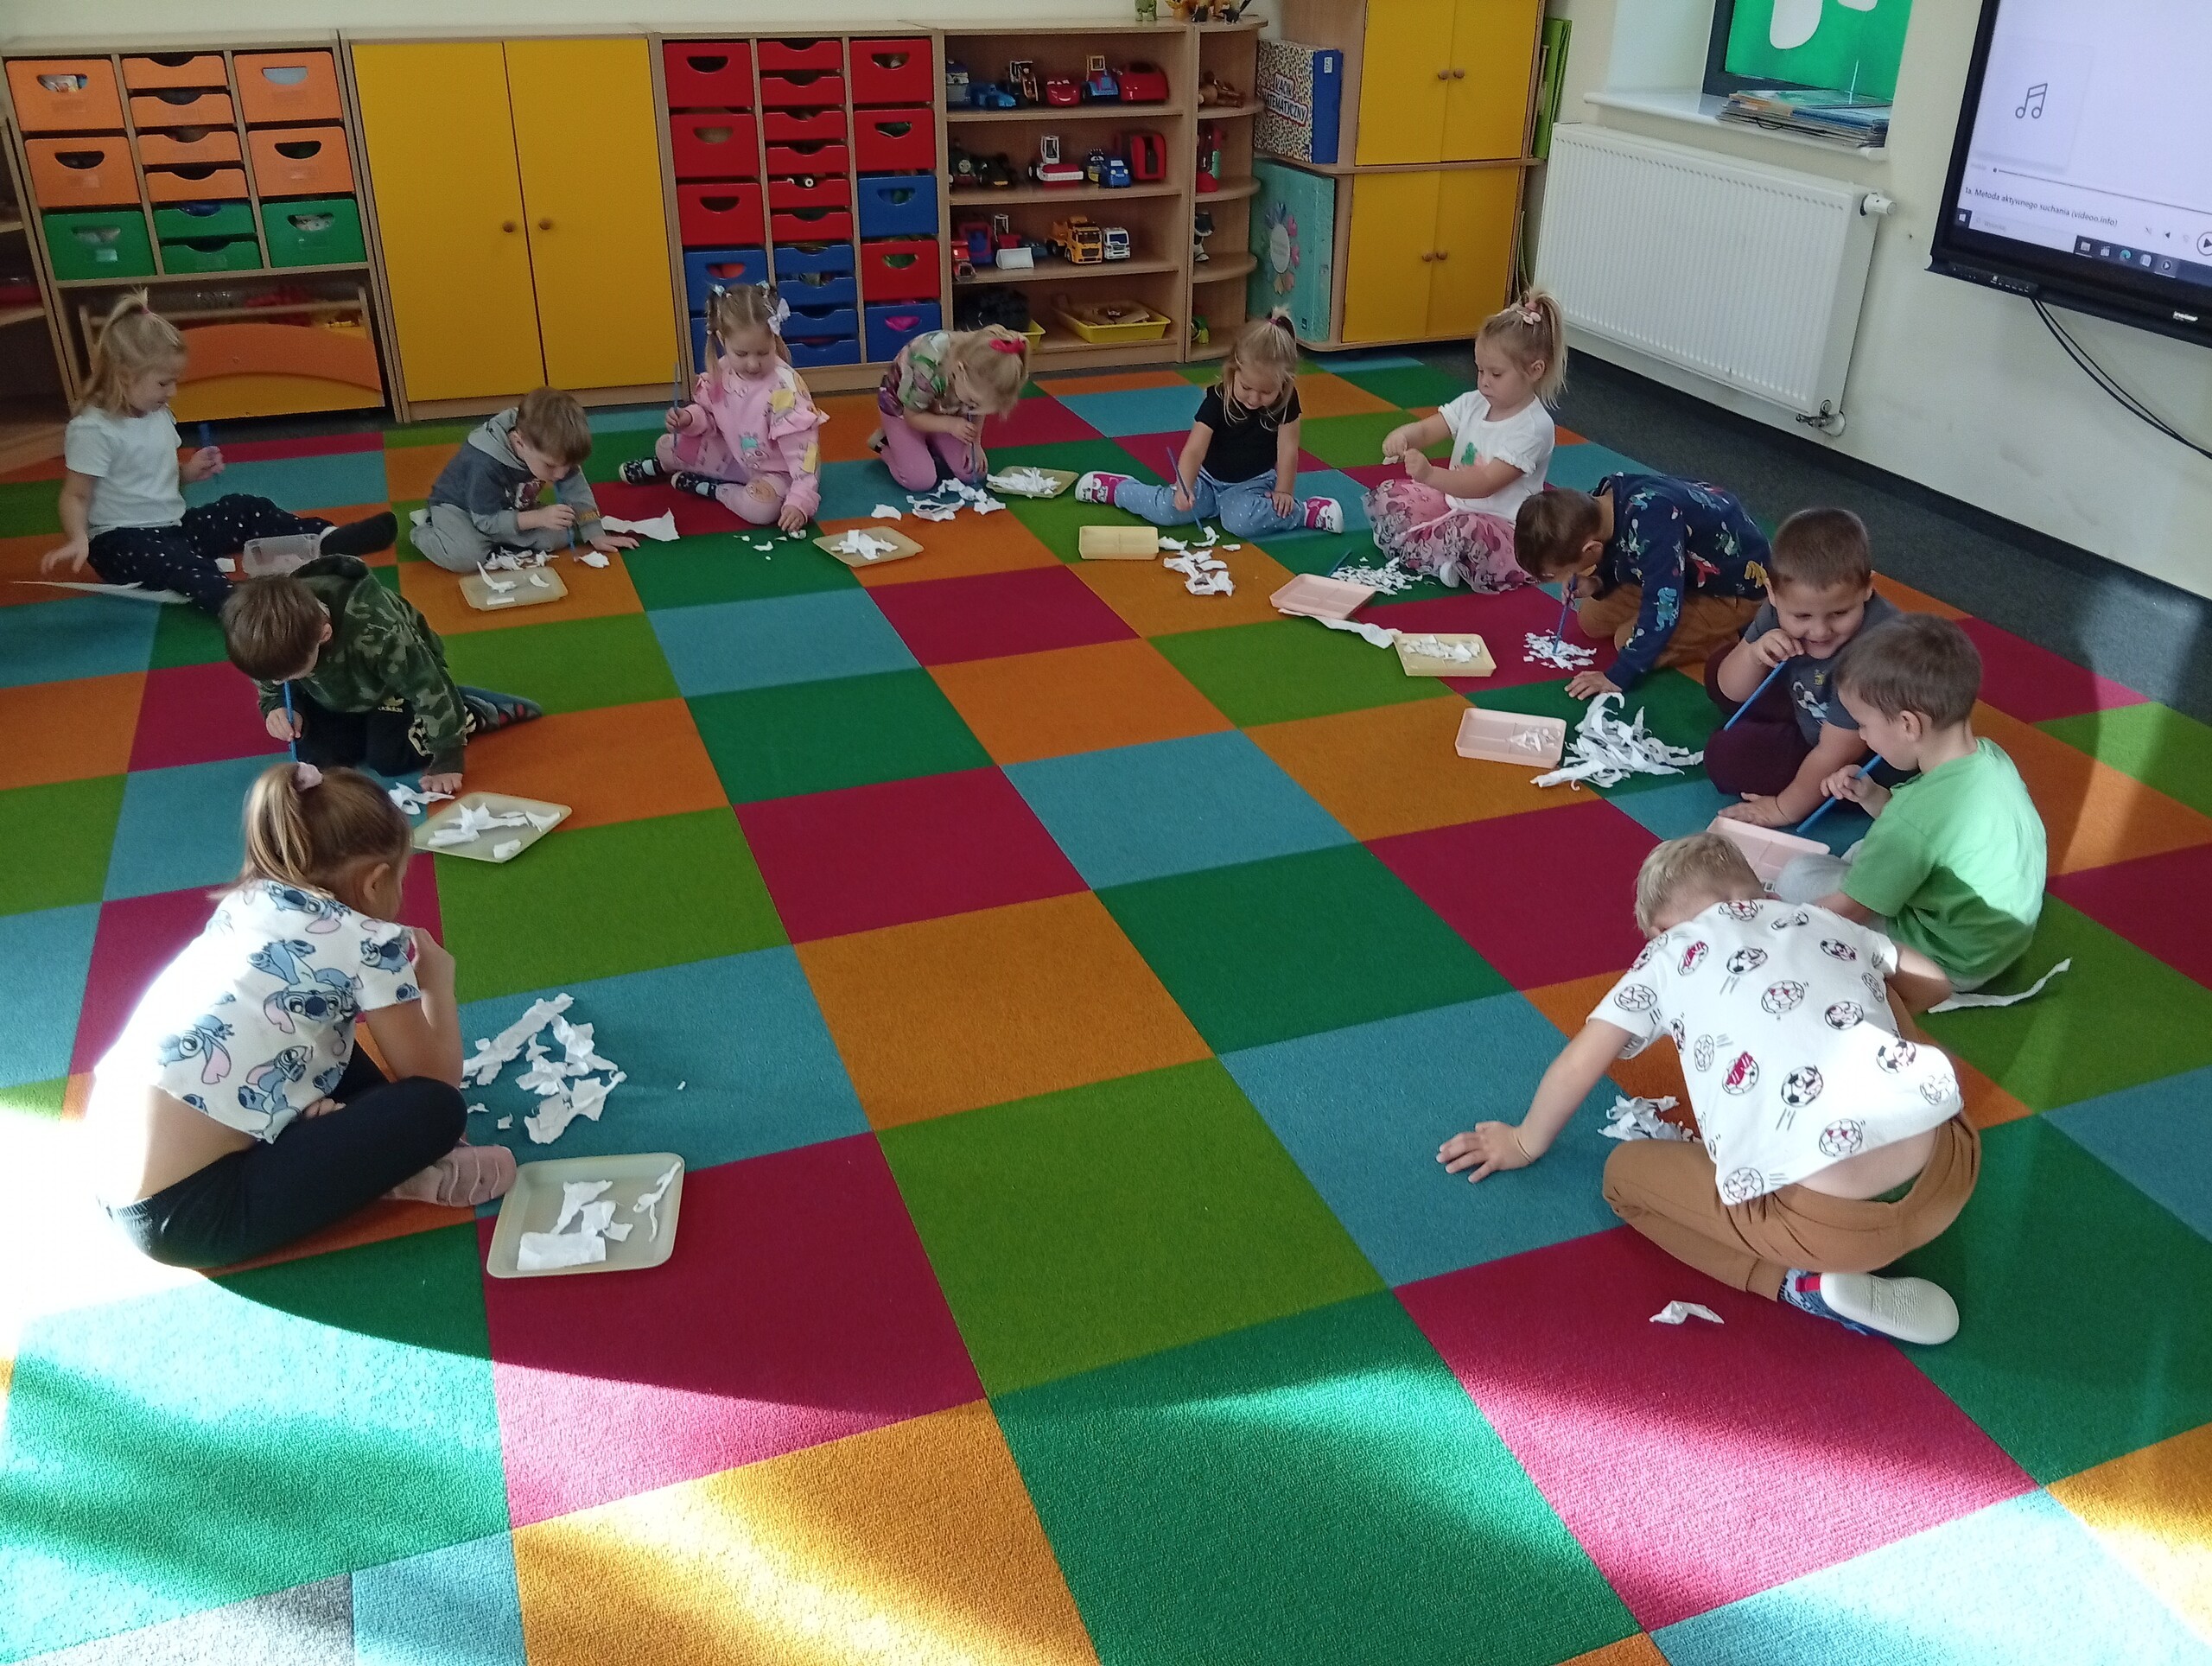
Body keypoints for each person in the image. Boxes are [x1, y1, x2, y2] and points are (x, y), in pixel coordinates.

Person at [1440, 832, 1978, 1345]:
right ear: (1763, 894)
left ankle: (1800, 1284)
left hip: (1826, 1231)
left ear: (1659, 932)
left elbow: (1579, 1064)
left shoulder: (1669, 954)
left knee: (1622, 1179)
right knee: (1880, 992)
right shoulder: (1816, 917)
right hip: (1950, 1169)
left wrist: (1523, 1142)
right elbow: (1934, 981)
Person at [86, 761, 514, 1269]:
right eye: (399, 880)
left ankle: (313, 1135)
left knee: (322, 1037)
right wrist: (437, 983)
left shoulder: (252, 896)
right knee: (436, 1112)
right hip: (186, 1216)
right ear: (375, 882)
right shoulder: (369, 943)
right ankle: (384, 1174)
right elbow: (437, 1080)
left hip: (107, 1166)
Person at [40, 291, 395, 614]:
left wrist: (188, 471)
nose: (173, 392)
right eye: (164, 383)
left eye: (174, 381)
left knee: (245, 507)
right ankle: (243, 607)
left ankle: (327, 538)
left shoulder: (155, 412)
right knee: (180, 564)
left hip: (173, 528)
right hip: (120, 544)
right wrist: (78, 538)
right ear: (123, 376)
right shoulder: (94, 429)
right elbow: (76, 495)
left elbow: (150, 478)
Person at [1775, 614, 2046, 1007]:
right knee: (1871, 851)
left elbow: (1847, 910)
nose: (1862, 736)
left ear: (1908, 725)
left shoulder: (1911, 818)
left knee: (1797, 875)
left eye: (1863, 724)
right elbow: (1935, 833)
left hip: (1941, 961)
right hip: (1999, 942)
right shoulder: (1991, 759)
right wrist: (1871, 796)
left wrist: (1776, 925)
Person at [222, 555, 537, 797]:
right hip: (336, 690)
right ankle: (369, 724)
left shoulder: (378, 632)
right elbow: (272, 679)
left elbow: (426, 684)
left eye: (287, 675)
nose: (279, 682)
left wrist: (447, 756)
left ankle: (468, 710)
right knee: (319, 759)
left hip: (393, 688)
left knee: (389, 759)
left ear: (324, 634)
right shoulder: (271, 641)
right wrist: (276, 704)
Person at [1709, 507, 1903, 824]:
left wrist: (1782, 809)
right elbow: (1732, 690)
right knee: (1722, 667)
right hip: (1813, 704)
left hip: (1861, 754)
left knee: (1726, 758)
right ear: (1773, 594)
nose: (1820, 632)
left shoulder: (1877, 651)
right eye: (1801, 617)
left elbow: (1837, 753)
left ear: (1868, 588)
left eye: (1839, 614)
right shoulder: (1782, 605)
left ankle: (1828, 793)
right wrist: (1755, 654)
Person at [1074, 314, 1344, 537]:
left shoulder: (1286, 400)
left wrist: (1284, 491)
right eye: (1246, 387)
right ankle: (1117, 489)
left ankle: (1306, 512)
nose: (1254, 399)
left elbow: (1288, 449)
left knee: (1239, 523)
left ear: (1284, 384)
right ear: (1232, 371)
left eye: (1266, 392)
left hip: (1253, 483)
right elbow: (1195, 450)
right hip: (1206, 479)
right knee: (1166, 511)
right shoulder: (1217, 399)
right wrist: (1184, 487)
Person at [1365, 290, 1565, 590]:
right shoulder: (1475, 402)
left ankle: (1439, 556)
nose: (1484, 381)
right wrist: (1404, 436)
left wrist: (1430, 474)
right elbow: (1429, 429)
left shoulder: (1534, 428)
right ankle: (1436, 554)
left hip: (1502, 524)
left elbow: (1485, 483)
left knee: (1468, 533)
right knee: (1394, 498)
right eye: (1480, 370)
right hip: (1453, 503)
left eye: (1496, 374)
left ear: (1535, 370)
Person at [1514, 473, 1770, 700]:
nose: (1569, 577)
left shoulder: (1653, 522)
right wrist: (1597, 581)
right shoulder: (1597, 505)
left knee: (1626, 641)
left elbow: (1664, 607)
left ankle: (1737, 636)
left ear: (1591, 549)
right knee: (1591, 621)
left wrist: (1618, 676)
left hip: (1734, 590)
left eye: (1569, 571)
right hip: (1676, 571)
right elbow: (1622, 552)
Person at [617, 283, 823, 532]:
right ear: (722, 340)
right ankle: (667, 466)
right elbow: (709, 416)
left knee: (760, 509)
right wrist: (688, 419)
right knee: (667, 446)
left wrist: (799, 502)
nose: (753, 364)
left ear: (775, 339)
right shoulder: (722, 370)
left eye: (763, 352)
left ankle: (714, 489)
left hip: (777, 474)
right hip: (736, 459)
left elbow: (805, 457)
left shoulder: (785, 391)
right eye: (741, 353)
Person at [411, 385, 635, 572]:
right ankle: (427, 527)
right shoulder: (484, 461)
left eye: (567, 466)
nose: (560, 475)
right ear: (520, 443)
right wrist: (538, 518)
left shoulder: (551, 449)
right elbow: (485, 520)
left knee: (560, 534)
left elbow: (577, 491)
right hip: (461, 511)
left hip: (508, 510)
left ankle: (492, 542)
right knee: (468, 557)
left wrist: (594, 532)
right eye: (551, 466)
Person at [871, 322, 1031, 491]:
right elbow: (912, 416)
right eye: (973, 402)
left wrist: (974, 443)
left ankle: (929, 443)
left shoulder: (981, 369)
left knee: (972, 471)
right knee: (920, 481)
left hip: (944, 409)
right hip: (903, 411)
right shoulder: (928, 368)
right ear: (960, 370)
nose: (975, 408)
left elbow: (977, 409)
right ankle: (884, 443)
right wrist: (950, 425)